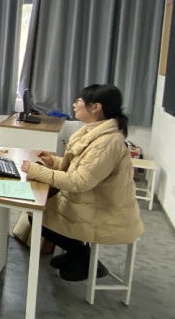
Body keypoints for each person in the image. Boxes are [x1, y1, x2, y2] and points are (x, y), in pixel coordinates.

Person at [21, 84, 144, 282]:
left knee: (38, 216)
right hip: (89, 200)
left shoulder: (107, 142)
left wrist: (37, 170)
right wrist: (54, 162)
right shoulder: (94, 132)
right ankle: (77, 253)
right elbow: (82, 167)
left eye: (79, 101)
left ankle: (82, 256)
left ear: (95, 107)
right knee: (36, 212)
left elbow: (79, 181)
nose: (74, 104)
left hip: (103, 210)